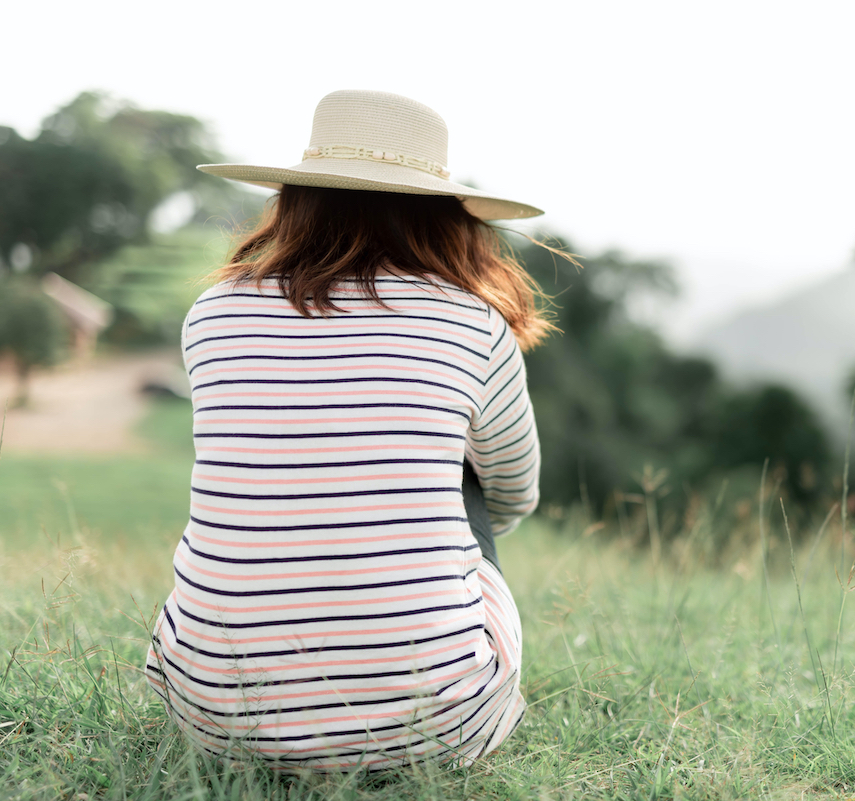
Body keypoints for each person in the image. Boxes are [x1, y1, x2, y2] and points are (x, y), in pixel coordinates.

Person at [144, 89, 558, 771]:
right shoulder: (470, 323)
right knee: (465, 477)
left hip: (212, 716)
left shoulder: (213, 312)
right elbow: (514, 492)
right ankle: (419, 658)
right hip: (437, 725)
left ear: (297, 197)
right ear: (445, 215)